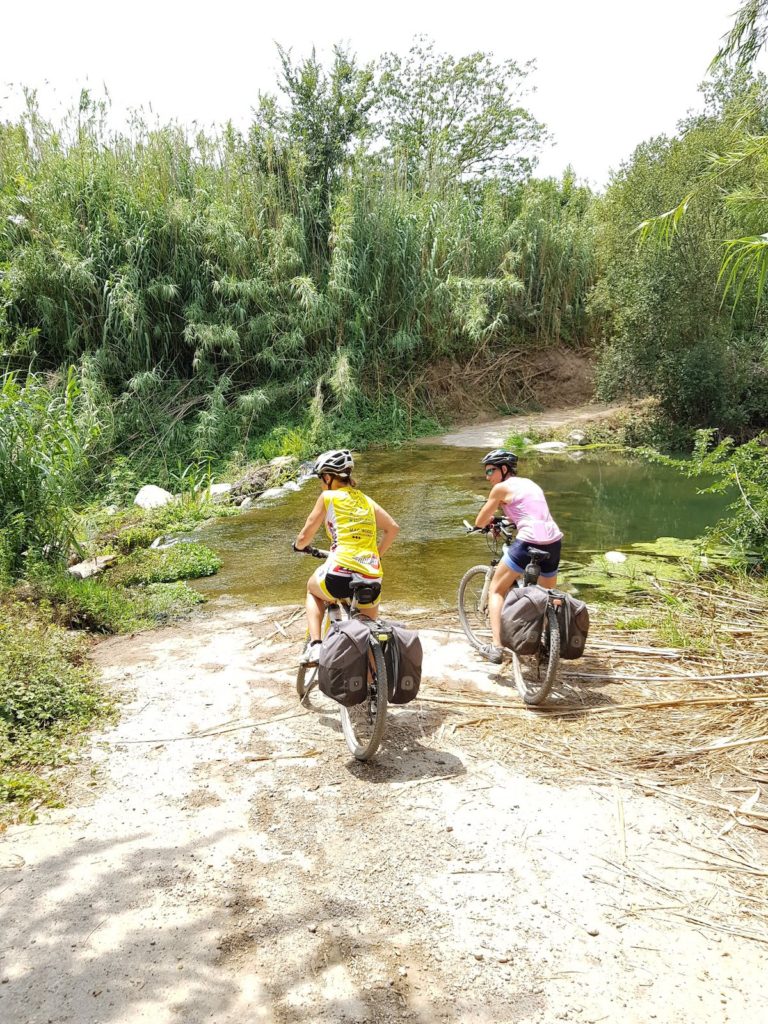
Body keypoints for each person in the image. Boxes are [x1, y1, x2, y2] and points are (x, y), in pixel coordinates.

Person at [293, 449, 400, 665]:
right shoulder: (367, 501)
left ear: (328, 477)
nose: (321, 483)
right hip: (371, 576)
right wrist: (375, 555)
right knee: (368, 631)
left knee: (313, 590)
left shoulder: (328, 497)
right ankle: (373, 689)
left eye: (321, 478)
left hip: (339, 573)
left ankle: (315, 646)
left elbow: (305, 536)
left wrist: (298, 546)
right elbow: (393, 528)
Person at [474, 449, 563, 664]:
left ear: (504, 469)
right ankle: (545, 643)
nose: (487, 477)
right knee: (547, 595)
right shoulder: (530, 484)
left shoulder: (500, 488)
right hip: (553, 541)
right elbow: (528, 512)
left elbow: (480, 521)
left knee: (497, 589)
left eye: (490, 471)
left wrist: (486, 523)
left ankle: (496, 647)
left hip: (529, 540)